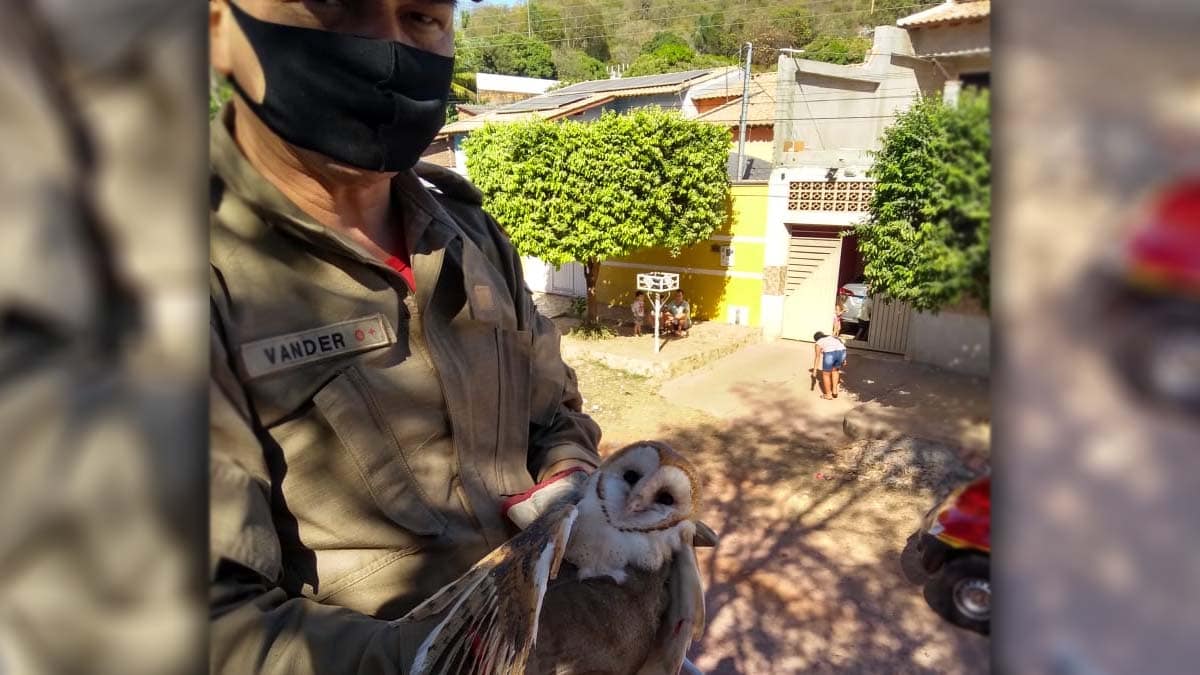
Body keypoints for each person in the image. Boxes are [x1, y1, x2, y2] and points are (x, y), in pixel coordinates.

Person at [207, 1, 610, 671]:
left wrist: (572, 480)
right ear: (219, 26)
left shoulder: (474, 237)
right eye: (337, 5)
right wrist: (445, 657)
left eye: (422, 15)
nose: (387, 50)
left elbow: (555, 414)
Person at [811, 331, 848, 399]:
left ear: (816, 339)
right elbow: (841, 345)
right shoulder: (832, 337)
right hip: (842, 352)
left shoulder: (818, 342)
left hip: (830, 354)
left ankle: (828, 395)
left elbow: (817, 357)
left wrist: (815, 370)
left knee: (826, 374)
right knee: (835, 371)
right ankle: (834, 392)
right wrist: (844, 359)